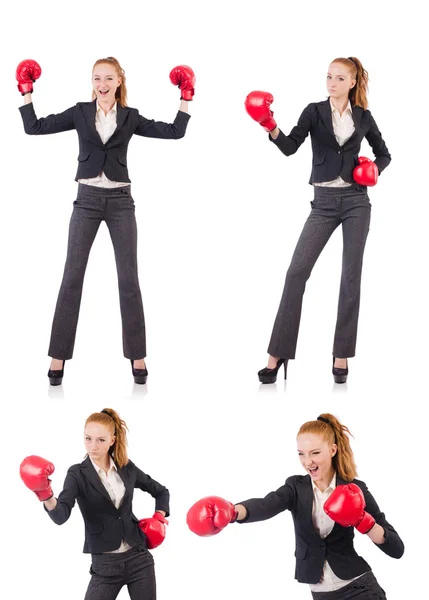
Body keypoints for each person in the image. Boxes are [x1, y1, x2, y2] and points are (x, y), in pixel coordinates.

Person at [16, 57, 194, 385]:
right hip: (86, 201)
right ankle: (58, 357)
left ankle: (137, 357)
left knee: (129, 280)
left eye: (108, 78)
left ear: (118, 82)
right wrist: (26, 92)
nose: (102, 83)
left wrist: (186, 96)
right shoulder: (80, 112)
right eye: (97, 78)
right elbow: (34, 127)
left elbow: (174, 132)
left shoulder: (130, 117)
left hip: (121, 203)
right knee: (72, 277)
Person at [245, 57, 390, 384]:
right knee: (296, 272)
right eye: (328, 77)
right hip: (323, 203)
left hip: (356, 202)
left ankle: (341, 354)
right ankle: (278, 354)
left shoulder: (364, 117)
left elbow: (384, 153)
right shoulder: (313, 111)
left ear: (352, 83)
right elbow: (289, 147)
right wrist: (269, 125)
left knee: (350, 277)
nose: (331, 83)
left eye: (339, 78)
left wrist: (374, 170)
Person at [187, 413, 404, 599]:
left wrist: (363, 521)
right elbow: (266, 505)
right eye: (301, 454)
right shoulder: (296, 487)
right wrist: (233, 512)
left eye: (315, 453)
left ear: (333, 450)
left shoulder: (355, 489)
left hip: (359, 588)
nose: (308, 461)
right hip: (321, 594)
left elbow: (396, 549)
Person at [20, 407, 169, 599]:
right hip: (105, 566)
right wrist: (44, 493)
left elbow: (161, 491)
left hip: (139, 558)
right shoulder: (77, 474)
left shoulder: (125, 467)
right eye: (88, 438)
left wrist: (159, 517)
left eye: (100, 440)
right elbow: (60, 516)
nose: (93, 446)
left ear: (112, 441)